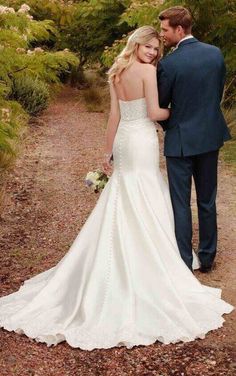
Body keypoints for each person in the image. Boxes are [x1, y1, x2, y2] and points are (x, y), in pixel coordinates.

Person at [0, 26, 233, 351]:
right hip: (141, 139)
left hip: (125, 139)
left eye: (156, 49)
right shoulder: (148, 72)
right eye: (149, 47)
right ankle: (152, 260)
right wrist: (180, 112)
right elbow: (154, 113)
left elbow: (114, 116)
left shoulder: (116, 71)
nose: (153, 53)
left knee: (124, 193)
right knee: (145, 191)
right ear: (137, 44)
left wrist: (107, 153)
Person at [157, 6, 231, 272]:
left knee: (181, 202)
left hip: (179, 141)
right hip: (210, 137)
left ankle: (184, 262)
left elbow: (160, 105)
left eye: (165, 30)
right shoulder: (215, 54)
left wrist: (172, 125)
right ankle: (208, 258)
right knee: (207, 199)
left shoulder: (168, 64)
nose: (162, 35)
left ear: (179, 29)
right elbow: (214, 93)